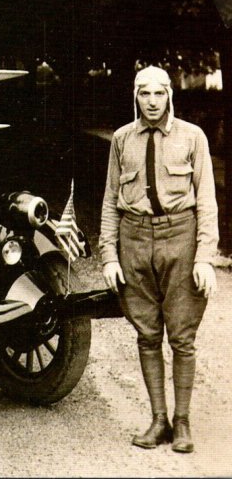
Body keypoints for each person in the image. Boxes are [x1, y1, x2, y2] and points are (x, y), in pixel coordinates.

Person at [99, 65, 218, 453]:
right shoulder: (122, 139)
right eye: (144, 94)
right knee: (147, 335)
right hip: (134, 241)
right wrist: (109, 257)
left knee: (182, 338)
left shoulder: (192, 137)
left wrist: (204, 257)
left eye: (159, 94)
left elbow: (207, 202)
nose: (152, 102)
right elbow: (110, 203)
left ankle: (182, 423)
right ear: (135, 96)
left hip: (179, 238)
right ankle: (158, 420)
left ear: (170, 96)